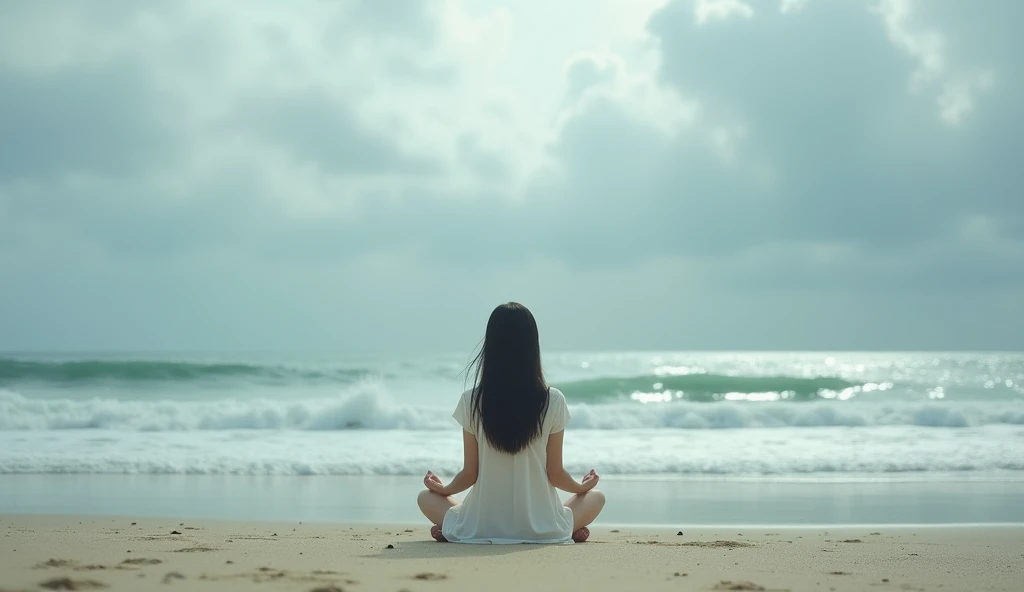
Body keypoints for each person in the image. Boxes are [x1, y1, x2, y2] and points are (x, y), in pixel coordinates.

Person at [416, 302, 605, 544]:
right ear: (532, 346)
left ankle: (454, 530)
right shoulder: (552, 400)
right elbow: (555, 474)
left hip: (482, 528)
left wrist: (443, 490)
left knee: (425, 497)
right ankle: (566, 530)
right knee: (596, 497)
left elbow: (469, 474)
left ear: (490, 346)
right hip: (541, 528)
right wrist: (581, 487)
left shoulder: (472, 400)